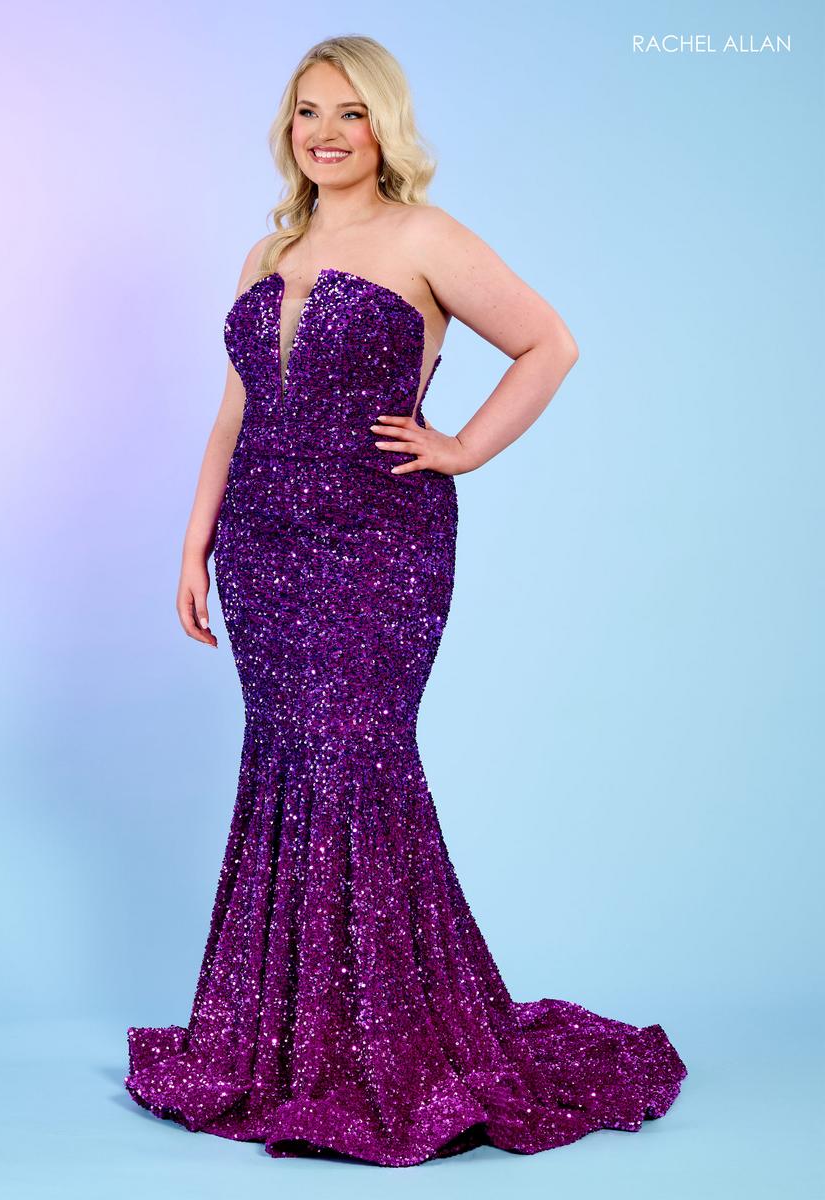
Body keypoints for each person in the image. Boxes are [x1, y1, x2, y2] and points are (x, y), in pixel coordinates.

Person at [125, 35, 687, 1167]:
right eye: (307, 112)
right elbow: (235, 413)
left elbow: (549, 343)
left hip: (377, 544)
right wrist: (193, 543)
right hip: (263, 547)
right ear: (288, 128)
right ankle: (286, 1044)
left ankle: (389, 1048)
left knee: (353, 759)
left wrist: (462, 446)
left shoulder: (424, 237)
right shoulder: (267, 251)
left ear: (384, 127)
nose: (326, 133)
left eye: (350, 113)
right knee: (287, 761)